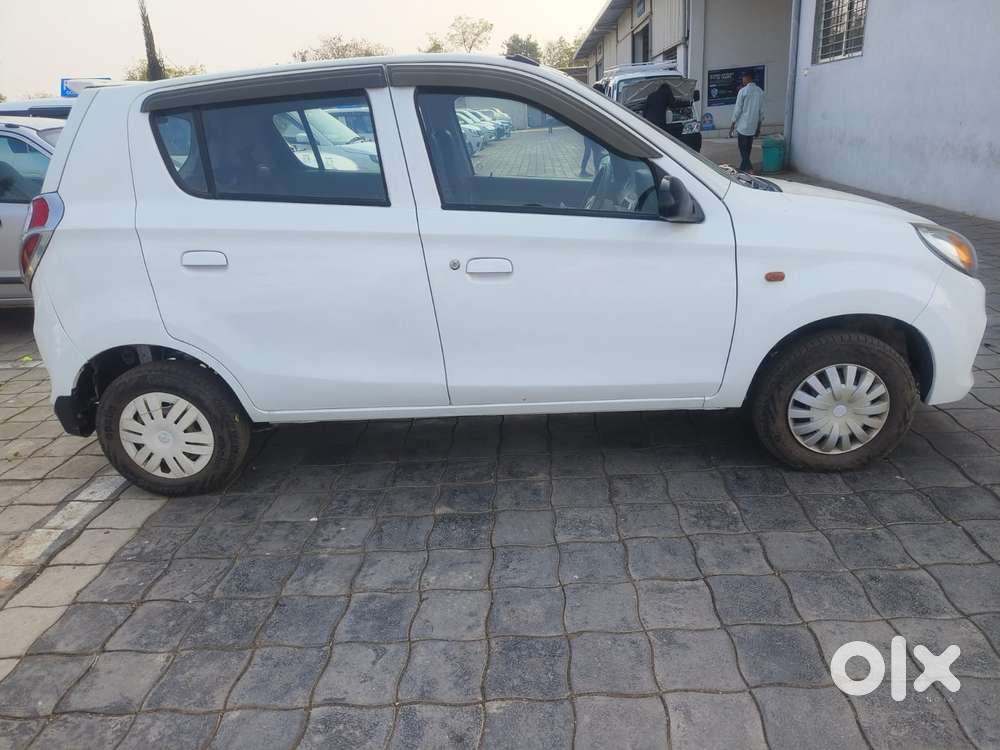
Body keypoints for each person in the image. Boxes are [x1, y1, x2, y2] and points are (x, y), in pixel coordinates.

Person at [729, 71, 764, 173]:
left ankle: (750, 169)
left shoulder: (743, 91)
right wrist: (758, 127)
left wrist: (732, 125)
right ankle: (742, 170)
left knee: (743, 150)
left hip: (743, 126)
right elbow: (761, 111)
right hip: (753, 126)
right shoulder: (760, 92)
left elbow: (738, 109)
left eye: (743, 78)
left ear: (748, 78)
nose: (742, 80)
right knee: (747, 150)